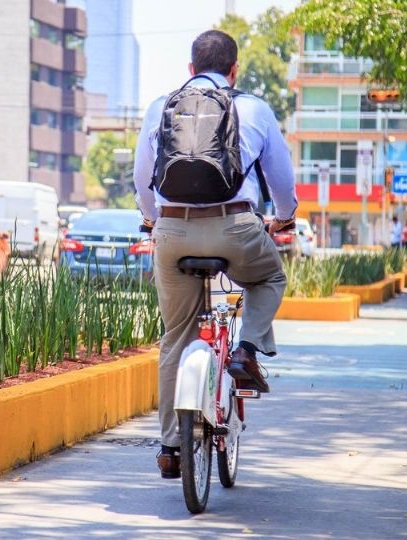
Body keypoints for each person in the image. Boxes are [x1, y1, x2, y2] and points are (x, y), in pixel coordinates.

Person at [134, 30, 297, 480]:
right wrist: (283, 217)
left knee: (175, 336)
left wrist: (153, 220)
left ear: (190, 69)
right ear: (234, 69)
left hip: (172, 233)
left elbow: (142, 179)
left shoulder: (161, 107)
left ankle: (170, 446)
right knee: (269, 279)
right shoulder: (254, 108)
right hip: (235, 228)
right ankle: (245, 349)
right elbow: (281, 182)